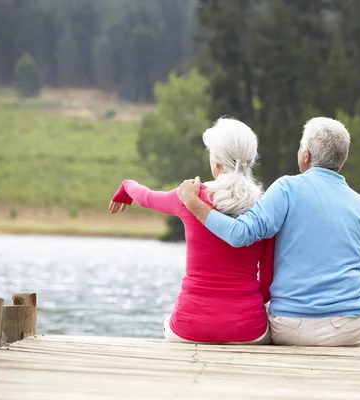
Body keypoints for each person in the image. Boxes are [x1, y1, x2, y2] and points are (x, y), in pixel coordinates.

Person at [177, 117, 360, 347]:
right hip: (348, 328)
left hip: (290, 327)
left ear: (306, 155)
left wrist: (192, 202)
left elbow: (238, 234)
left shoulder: (286, 189)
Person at [108, 117, 274, 344]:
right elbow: (267, 284)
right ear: (251, 161)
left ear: (216, 165)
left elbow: (145, 197)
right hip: (248, 331)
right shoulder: (266, 207)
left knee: (168, 322)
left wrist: (126, 186)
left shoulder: (189, 196)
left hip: (188, 328)